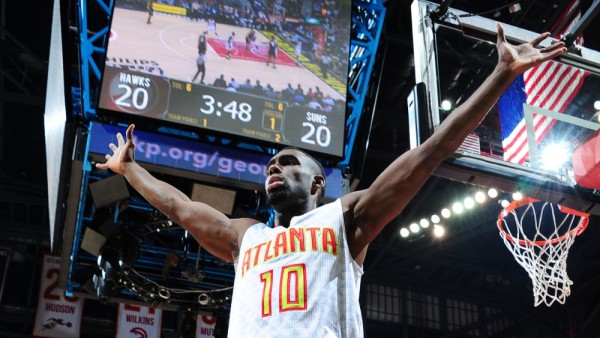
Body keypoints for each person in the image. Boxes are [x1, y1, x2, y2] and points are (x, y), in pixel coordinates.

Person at [96, 24, 565, 337]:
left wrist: (501, 75)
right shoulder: (246, 237)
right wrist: (129, 169)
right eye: (271, 166)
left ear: (319, 184)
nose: (274, 168)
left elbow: (431, 151)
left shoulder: (346, 218)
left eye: (288, 163)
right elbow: (179, 208)